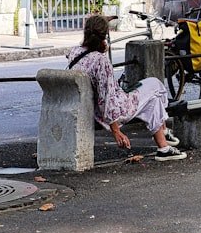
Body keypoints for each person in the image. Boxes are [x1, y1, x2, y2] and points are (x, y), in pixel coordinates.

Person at [67, 15, 185, 161]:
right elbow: (107, 100)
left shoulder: (74, 52)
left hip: (91, 108)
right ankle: (163, 132)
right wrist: (116, 131)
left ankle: (164, 147)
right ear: (104, 36)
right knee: (156, 86)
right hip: (114, 110)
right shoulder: (101, 61)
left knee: (153, 97)